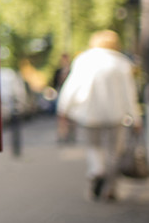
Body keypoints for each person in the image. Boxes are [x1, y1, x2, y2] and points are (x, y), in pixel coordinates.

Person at [56, 30, 142, 201]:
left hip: (89, 114)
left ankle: (96, 170)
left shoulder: (84, 60)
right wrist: (136, 117)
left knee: (93, 147)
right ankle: (110, 188)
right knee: (114, 152)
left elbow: (71, 87)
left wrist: (63, 110)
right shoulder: (121, 63)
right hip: (116, 115)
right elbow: (129, 93)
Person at [53, 53, 74, 143]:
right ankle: (62, 134)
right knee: (61, 116)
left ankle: (70, 134)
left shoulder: (72, 70)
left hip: (71, 94)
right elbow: (54, 83)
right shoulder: (58, 71)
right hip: (61, 93)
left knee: (71, 116)